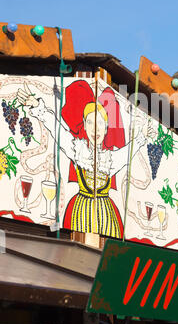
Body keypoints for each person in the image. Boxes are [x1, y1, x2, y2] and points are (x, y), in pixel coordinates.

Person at [17, 80, 150, 238]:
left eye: (100, 123)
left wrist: (142, 136)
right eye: (90, 123)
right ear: (85, 127)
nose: (96, 128)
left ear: (107, 128)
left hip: (107, 214)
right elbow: (57, 129)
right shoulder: (78, 151)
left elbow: (128, 153)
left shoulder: (110, 159)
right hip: (81, 210)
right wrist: (37, 106)